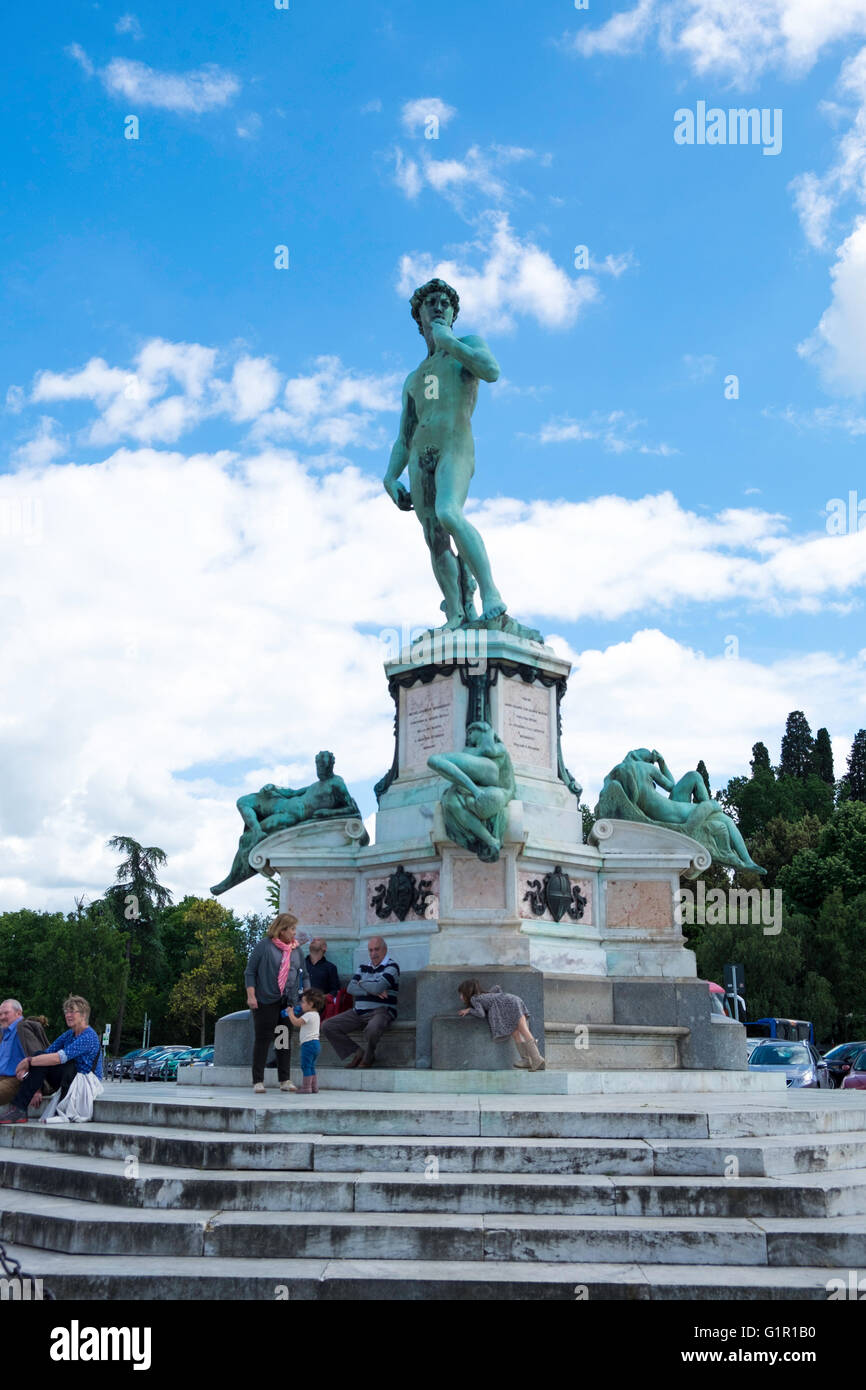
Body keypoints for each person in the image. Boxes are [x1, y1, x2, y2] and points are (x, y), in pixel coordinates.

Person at [383, 278, 506, 627]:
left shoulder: (465, 345)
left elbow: (492, 371)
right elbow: (404, 436)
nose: (439, 306)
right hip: (421, 453)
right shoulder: (414, 377)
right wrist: (390, 476)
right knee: (434, 537)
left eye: (445, 303)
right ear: (419, 315)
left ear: (453, 313)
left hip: (456, 444)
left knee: (449, 513)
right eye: (431, 302)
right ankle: (455, 613)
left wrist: (450, 343)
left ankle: (490, 592)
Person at [0, 995, 103, 1123]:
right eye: (66, 1012)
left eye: (72, 1011)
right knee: (40, 1055)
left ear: (83, 1015)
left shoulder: (88, 1036)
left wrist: (28, 1061)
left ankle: (19, 1108)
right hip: (70, 1079)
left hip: (85, 1082)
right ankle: (19, 1110)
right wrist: (31, 1066)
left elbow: (59, 1058)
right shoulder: (69, 1034)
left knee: (55, 1060)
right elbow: (46, 1053)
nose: (68, 1015)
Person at [245, 912, 304, 1094]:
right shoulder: (265, 946)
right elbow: (250, 972)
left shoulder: (296, 950)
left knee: (283, 1040)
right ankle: (258, 1080)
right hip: (265, 1000)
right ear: (282, 929)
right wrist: (251, 996)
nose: (295, 932)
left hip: (287, 1002)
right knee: (263, 1039)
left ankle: (284, 1080)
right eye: (292, 929)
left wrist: (303, 999)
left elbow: (303, 974)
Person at [321, 936, 399, 1069]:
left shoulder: (392, 967)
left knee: (372, 1028)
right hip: (357, 1012)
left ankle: (368, 1056)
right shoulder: (363, 967)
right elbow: (351, 989)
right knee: (327, 1026)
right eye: (370, 950)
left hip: (381, 1011)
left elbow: (378, 987)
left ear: (385, 950)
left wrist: (361, 983)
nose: (373, 954)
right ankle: (358, 1052)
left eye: (377, 950)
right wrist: (371, 989)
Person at [457, 980, 545, 1071]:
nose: (460, 997)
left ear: (467, 993)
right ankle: (526, 1059)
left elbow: (481, 1014)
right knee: (515, 1032)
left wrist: (469, 1010)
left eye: (462, 994)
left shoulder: (474, 999)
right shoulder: (484, 995)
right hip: (512, 999)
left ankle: (536, 1058)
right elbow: (497, 987)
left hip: (509, 1003)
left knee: (523, 1030)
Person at [0, 1000, 49, 1109]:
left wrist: (36, 1089)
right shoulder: (3, 1032)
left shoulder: (23, 1029)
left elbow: (38, 1057)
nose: (2, 1017)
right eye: (0, 1014)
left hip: (16, 1080)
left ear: (18, 1013)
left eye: (6, 1013)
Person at [284, 988, 326, 1094]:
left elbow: (296, 1022)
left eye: (303, 1002)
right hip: (315, 1044)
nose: (301, 1004)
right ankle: (314, 1087)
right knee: (311, 1066)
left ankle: (306, 1087)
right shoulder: (316, 1015)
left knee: (305, 1066)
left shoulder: (308, 1015)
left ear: (311, 1004)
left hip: (308, 1044)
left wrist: (290, 1013)